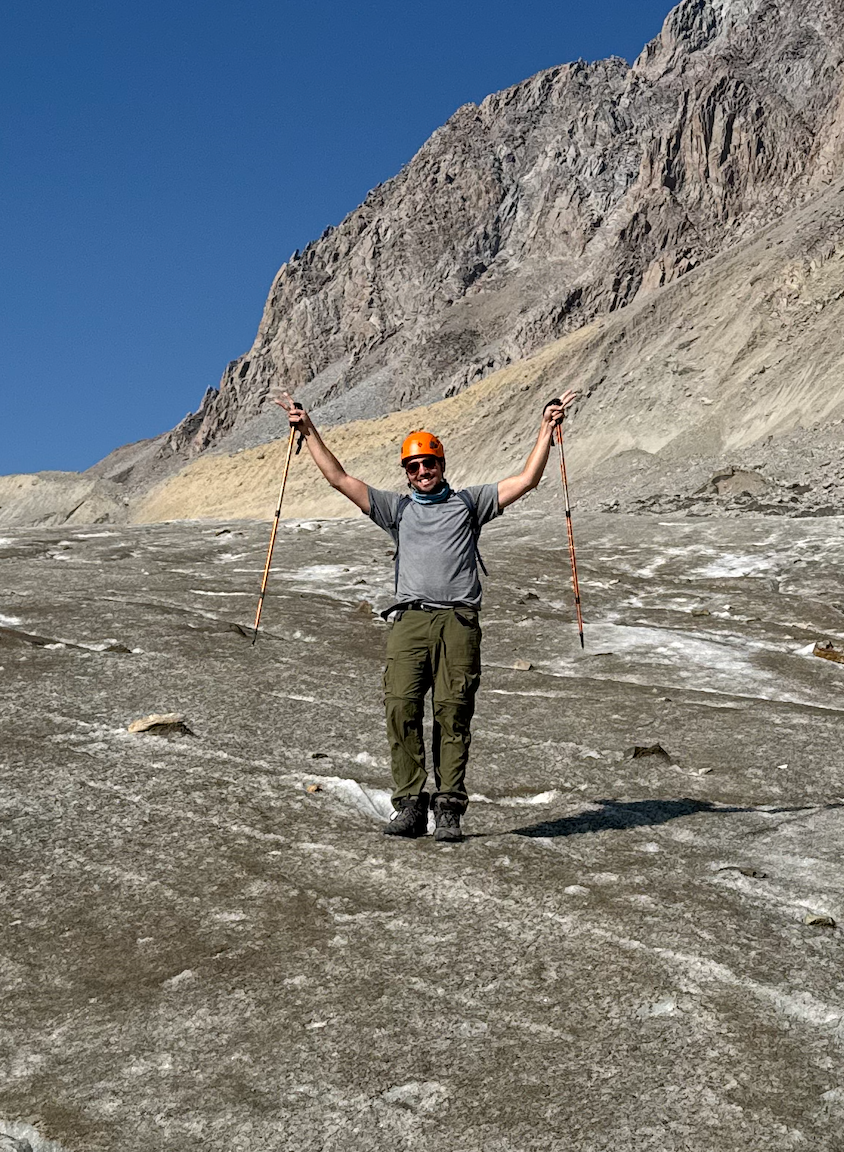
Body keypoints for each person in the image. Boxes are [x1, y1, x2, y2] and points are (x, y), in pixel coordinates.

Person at [274, 389, 580, 842]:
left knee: (453, 711)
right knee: (400, 708)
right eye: (413, 466)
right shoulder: (395, 511)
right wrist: (308, 429)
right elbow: (339, 478)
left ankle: (449, 808)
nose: (422, 472)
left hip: (458, 622)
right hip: (409, 622)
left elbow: (526, 480)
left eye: (429, 463)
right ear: (406, 472)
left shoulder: (469, 504)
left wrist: (545, 429)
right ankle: (411, 806)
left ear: (441, 465)